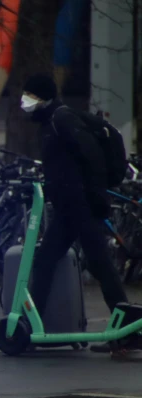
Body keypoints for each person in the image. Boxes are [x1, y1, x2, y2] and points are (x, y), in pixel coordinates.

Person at [20, 74, 128, 352]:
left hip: (80, 203)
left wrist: (95, 194)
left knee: (99, 262)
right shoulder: (49, 123)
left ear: (43, 98)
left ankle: (126, 328)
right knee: (45, 261)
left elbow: (90, 156)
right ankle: (27, 325)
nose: (25, 100)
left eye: (30, 95)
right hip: (69, 206)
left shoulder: (61, 120)